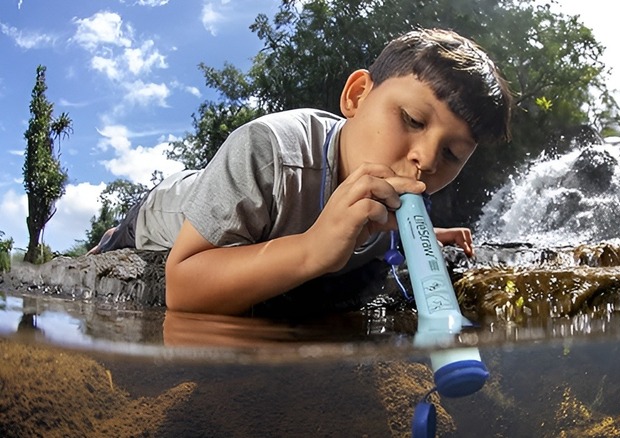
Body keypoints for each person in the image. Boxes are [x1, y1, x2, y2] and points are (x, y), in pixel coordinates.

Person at [91, 28, 513, 316]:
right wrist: (312, 249)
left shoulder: (398, 185)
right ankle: (110, 237)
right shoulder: (269, 150)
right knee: (116, 251)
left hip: (256, 213)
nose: (426, 158)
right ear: (357, 96)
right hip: (168, 212)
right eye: (412, 120)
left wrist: (416, 235)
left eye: (453, 154)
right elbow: (183, 289)